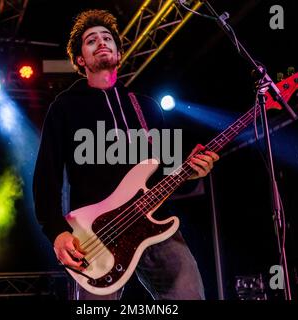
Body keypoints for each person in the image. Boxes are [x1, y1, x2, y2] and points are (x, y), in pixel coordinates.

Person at [33, 9, 219, 300]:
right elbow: (47, 177)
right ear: (80, 60)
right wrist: (56, 232)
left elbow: (166, 171)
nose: (102, 42)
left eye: (107, 38)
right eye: (91, 40)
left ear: (119, 53)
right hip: (95, 237)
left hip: (155, 225)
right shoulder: (65, 107)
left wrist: (193, 172)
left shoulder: (146, 107)